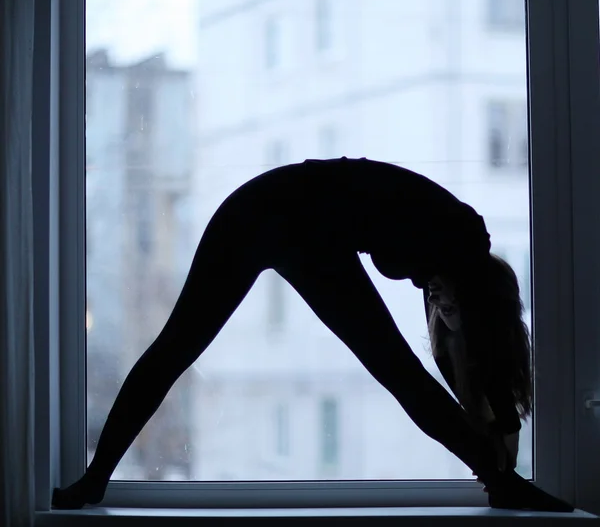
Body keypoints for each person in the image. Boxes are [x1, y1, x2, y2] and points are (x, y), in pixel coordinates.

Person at [52, 157, 573, 512]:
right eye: (442, 299)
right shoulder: (459, 240)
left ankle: (95, 479)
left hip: (297, 224)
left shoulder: (452, 261)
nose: (437, 303)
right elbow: (466, 353)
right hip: (275, 215)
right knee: (177, 347)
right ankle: (97, 477)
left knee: (396, 370)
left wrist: (495, 444)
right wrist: (499, 436)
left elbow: (452, 359)